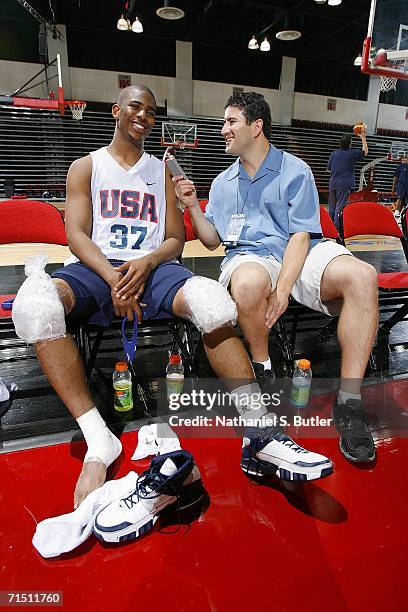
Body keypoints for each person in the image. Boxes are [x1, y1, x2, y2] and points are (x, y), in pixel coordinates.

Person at [12, 85, 332, 510]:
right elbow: (75, 236)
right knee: (36, 307)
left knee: (214, 304)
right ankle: (97, 439)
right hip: (96, 269)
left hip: (156, 268)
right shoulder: (84, 167)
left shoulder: (161, 171)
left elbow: (176, 238)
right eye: (135, 107)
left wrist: (145, 264)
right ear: (116, 111)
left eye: (150, 110)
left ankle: (260, 431)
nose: (143, 115)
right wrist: (114, 277)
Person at [173, 91, 379, 464]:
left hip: (300, 250)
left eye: (230, 121)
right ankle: (263, 369)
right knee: (249, 283)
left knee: (362, 276)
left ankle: (349, 402)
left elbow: (301, 235)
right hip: (250, 256)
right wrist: (192, 208)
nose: (223, 130)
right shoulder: (221, 184)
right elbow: (212, 240)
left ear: (256, 126)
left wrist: (284, 288)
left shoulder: (294, 169)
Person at [327, 131, 368, 229]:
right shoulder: (351, 154)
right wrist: (363, 138)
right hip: (343, 184)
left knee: (332, 207)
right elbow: (365, 152)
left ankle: (330, 228)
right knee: (339, 207)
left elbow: (328, 169)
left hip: (332, 183)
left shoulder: (334, 154)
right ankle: (337, 230)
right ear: (350, 144)